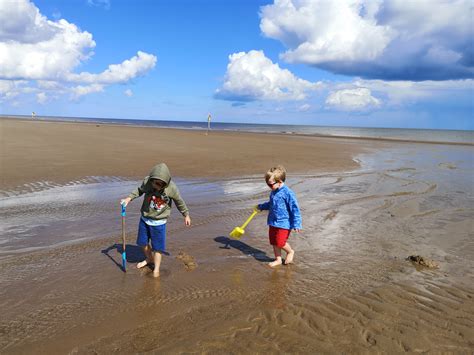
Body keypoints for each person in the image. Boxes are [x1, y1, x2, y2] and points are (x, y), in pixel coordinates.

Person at [121, 163, 191, 277]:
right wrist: (129, 198)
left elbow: (179, 202)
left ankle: (156, 269)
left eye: (162, 185)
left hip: (159, 222)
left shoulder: (171, 188)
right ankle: (149, 259)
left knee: (158, 248)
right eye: (156, 183)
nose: (158, 186)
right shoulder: (147, 182)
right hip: (145, 218)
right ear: (152, 180)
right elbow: (139, 190)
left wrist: (186, 214)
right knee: (142, 243)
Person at [256, 165, 301, 267]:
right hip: (273, 221)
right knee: (274, 242)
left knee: (280, 242)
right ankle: (278, 259)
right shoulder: (273, 192)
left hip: (284, 223)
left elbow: (295, 208)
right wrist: (262, 206)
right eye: (267, 184)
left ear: (280, 181)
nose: (269, 186)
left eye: (270, 184)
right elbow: (271, 204)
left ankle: (290, 252)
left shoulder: (288, 193)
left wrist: (297, 223)